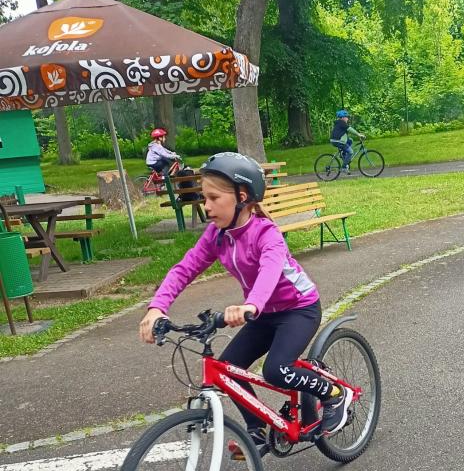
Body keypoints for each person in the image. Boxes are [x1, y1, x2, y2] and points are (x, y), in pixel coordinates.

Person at [139, 152, 354, 453]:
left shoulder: (267, 234)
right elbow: (184, 269)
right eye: (204, 198)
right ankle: (258, 429)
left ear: (242, 197)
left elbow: (269, 272)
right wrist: (156, 308)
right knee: (228, 369)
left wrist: (250, 305)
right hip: (262, 314)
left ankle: (334, 394)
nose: (206, 206)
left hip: (298, 309)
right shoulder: (217, 235)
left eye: (214, 198)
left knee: (276, 370)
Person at [329, 109, 364, 174]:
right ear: (342, 117)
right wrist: (358, 134)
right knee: (350, 152)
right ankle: (344, 168)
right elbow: (350, 129)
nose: (347, 118)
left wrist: (357, 135)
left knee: (350, 140)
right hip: (338, 141)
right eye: (346, 117)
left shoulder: (340, 123)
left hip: (337, 140)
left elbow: (347, 132)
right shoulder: (342, 122)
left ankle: (343, 153)